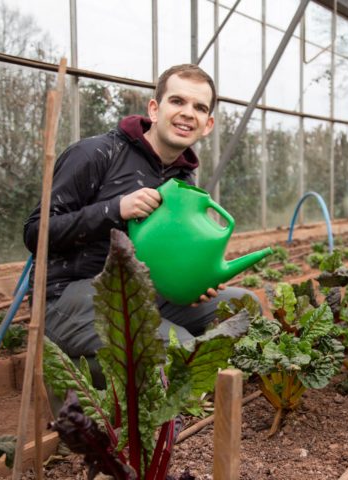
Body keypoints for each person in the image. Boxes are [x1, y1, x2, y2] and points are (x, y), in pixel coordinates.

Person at [24, 64, 256, 388]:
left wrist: (193, 285)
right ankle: (82, 369)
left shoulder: (183, 178)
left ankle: (146, 373)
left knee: (245, 307)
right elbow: (36, 232)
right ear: (154, 108)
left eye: (199, 107)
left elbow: (167, 258)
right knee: (179, 349)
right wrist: (115, 209)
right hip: (70, 295)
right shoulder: (96, 153)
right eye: (177, 101)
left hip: (140, 295)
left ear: (208, 124)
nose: (188, 113)